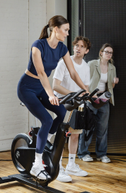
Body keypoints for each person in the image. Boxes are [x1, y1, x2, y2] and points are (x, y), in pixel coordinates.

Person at [17, 15, 88, 181]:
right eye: (65, 30)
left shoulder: (62, 48)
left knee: (62, 113)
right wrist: (50, 94)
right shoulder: (37, 46)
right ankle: (36, 165)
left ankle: (46, 138)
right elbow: (41, 73)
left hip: (40, 87)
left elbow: (73, 72)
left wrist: (85, 89)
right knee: (47, 120)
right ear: (55, 29)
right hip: (27, 88)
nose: (67, 33)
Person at [52, 36, 91, 182]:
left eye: (82, 46)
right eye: (76, 45)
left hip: (78, 105)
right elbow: (55, 86)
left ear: (86, 50)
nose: (78, 48)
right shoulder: (63, 63)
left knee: (75, 135)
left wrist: (86, 97)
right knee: (62, 136)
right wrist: (73, 94)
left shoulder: (86, 67)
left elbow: (85, 87)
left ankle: (71, 165)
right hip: (63, 104)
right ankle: (59, 167)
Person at [77, 43, 119, 163]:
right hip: (91, 99)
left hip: (103, 100)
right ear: (101, 52)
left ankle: (101, 154)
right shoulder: (91, 64)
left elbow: (110, 86)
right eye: (106, 52)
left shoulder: (112, 67)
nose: (108, 54)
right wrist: (88, 94)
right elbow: (83, 80)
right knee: (87, 127)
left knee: (103, 128)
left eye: (110, 52)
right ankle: (83, 153)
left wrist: (114, 82)